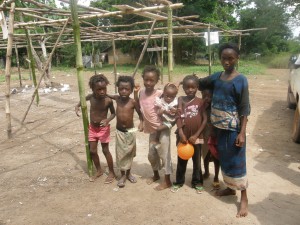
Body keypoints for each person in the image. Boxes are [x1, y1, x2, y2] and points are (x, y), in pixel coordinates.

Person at [198, 43, 250, 218]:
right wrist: (200, 90)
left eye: (230, 58)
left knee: (237, 161)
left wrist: (242, 133)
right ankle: (230, 188)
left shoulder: (241, 80)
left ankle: (243, 198)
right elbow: (201, 83)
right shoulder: (217, 77)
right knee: (224, 158)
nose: (226, 62)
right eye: (223, 58)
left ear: (237, 59)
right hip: (217, 128)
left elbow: (244, 108)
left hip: (233, 129)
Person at [134, 65, 172, 191]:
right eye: (146, 80)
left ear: (157, 81)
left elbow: (171, 102)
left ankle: (167, 181)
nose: (149, 83)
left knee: (165, 154)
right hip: (151, 130)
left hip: (162, 129)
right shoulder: (141, 93)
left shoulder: (160, 94)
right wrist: (141, 121)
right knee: (152, 154)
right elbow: (139, 107)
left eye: (152, 80)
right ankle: (156, 175)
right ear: (143, 79)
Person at [75, 73, 116, 183]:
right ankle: (99, 170)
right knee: (92, 151)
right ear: (93, 89)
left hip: (103, 129)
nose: (102, 91)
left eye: (104, 88)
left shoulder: (108, 100)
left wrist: (107, 120)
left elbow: (113, 113)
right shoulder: (91, 97)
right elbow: (83, 99)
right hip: (92, 129)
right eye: (99, 89)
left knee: (105, 150)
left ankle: (112, 172)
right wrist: (77, 106)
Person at [171, 74, 207, 194]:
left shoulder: (201, 102)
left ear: (197, 87)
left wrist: (196, 135)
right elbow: (178, 116)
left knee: (197, 161)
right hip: (183, 136)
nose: (190, 90)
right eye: (187, 87)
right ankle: (179, 181)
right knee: (182, 159)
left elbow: (205, 120)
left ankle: (197, 182)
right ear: (183, 88)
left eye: (193, 87)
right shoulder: (180, 100)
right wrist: (181, 132)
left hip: (196, 137)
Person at [106, 75, 143, 188]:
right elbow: (106, 95)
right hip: (120, 131)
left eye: (127, 89)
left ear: (131, 90)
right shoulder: (117, 99)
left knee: (129, 153)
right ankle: (122, 175)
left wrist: (141, 122)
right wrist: (99, 93)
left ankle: (129, 173)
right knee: (121, 154)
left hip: (130, 131)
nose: (123, 91)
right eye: (121, 88)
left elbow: (140, 114)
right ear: (118, 88)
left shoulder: (133, 102)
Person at [199, 85, 220, 190]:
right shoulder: (201, 107)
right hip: (205, 135)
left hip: (214, 136)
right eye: (204, 96)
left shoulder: (216, 107)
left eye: (209, 96)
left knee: (216, 157)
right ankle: (206, 172)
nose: (207, 98)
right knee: (205, 155)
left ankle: (216, 177)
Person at [152, 83, 178, 148]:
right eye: (167, 96)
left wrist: (164, 111)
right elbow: (158, 103)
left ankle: (156, 139)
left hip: (170, 122)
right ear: (164, 94)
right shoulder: (162, 100)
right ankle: (158, 140)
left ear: (174, 97)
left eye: (171, 97)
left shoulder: (174, 104)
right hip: (163, 121)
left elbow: (172, 115)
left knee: (158, 129)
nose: (169, 98)